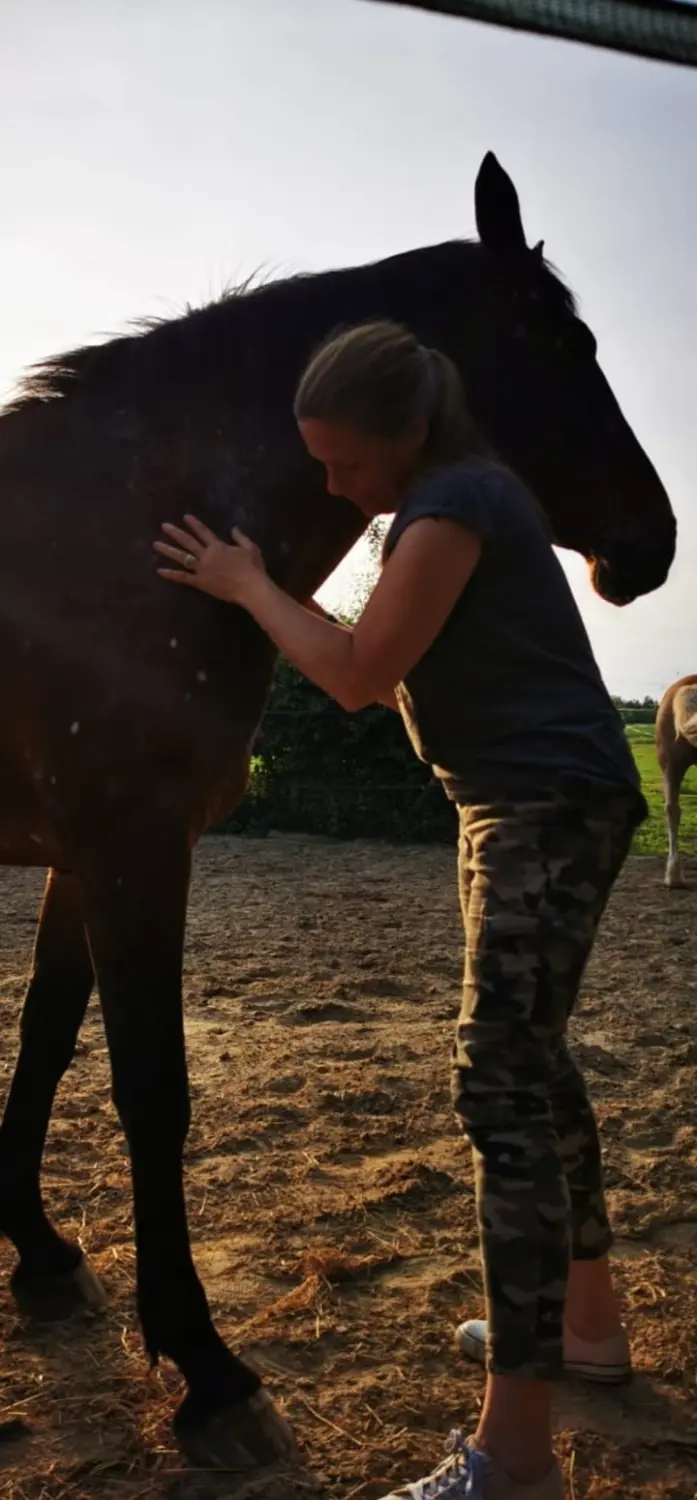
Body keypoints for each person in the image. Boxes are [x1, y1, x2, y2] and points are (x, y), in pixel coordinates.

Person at [154, 321, 646, 1500]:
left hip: (542, 807)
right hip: (519, 806)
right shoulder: (451, 499)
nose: (333, 486)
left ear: (408, 436)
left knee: (501, 1092)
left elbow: (358, 674)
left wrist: (246, 583)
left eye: (346, 465)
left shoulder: (453, 505)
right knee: (535, 1069)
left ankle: (513, 1456)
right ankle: (586, 1330)